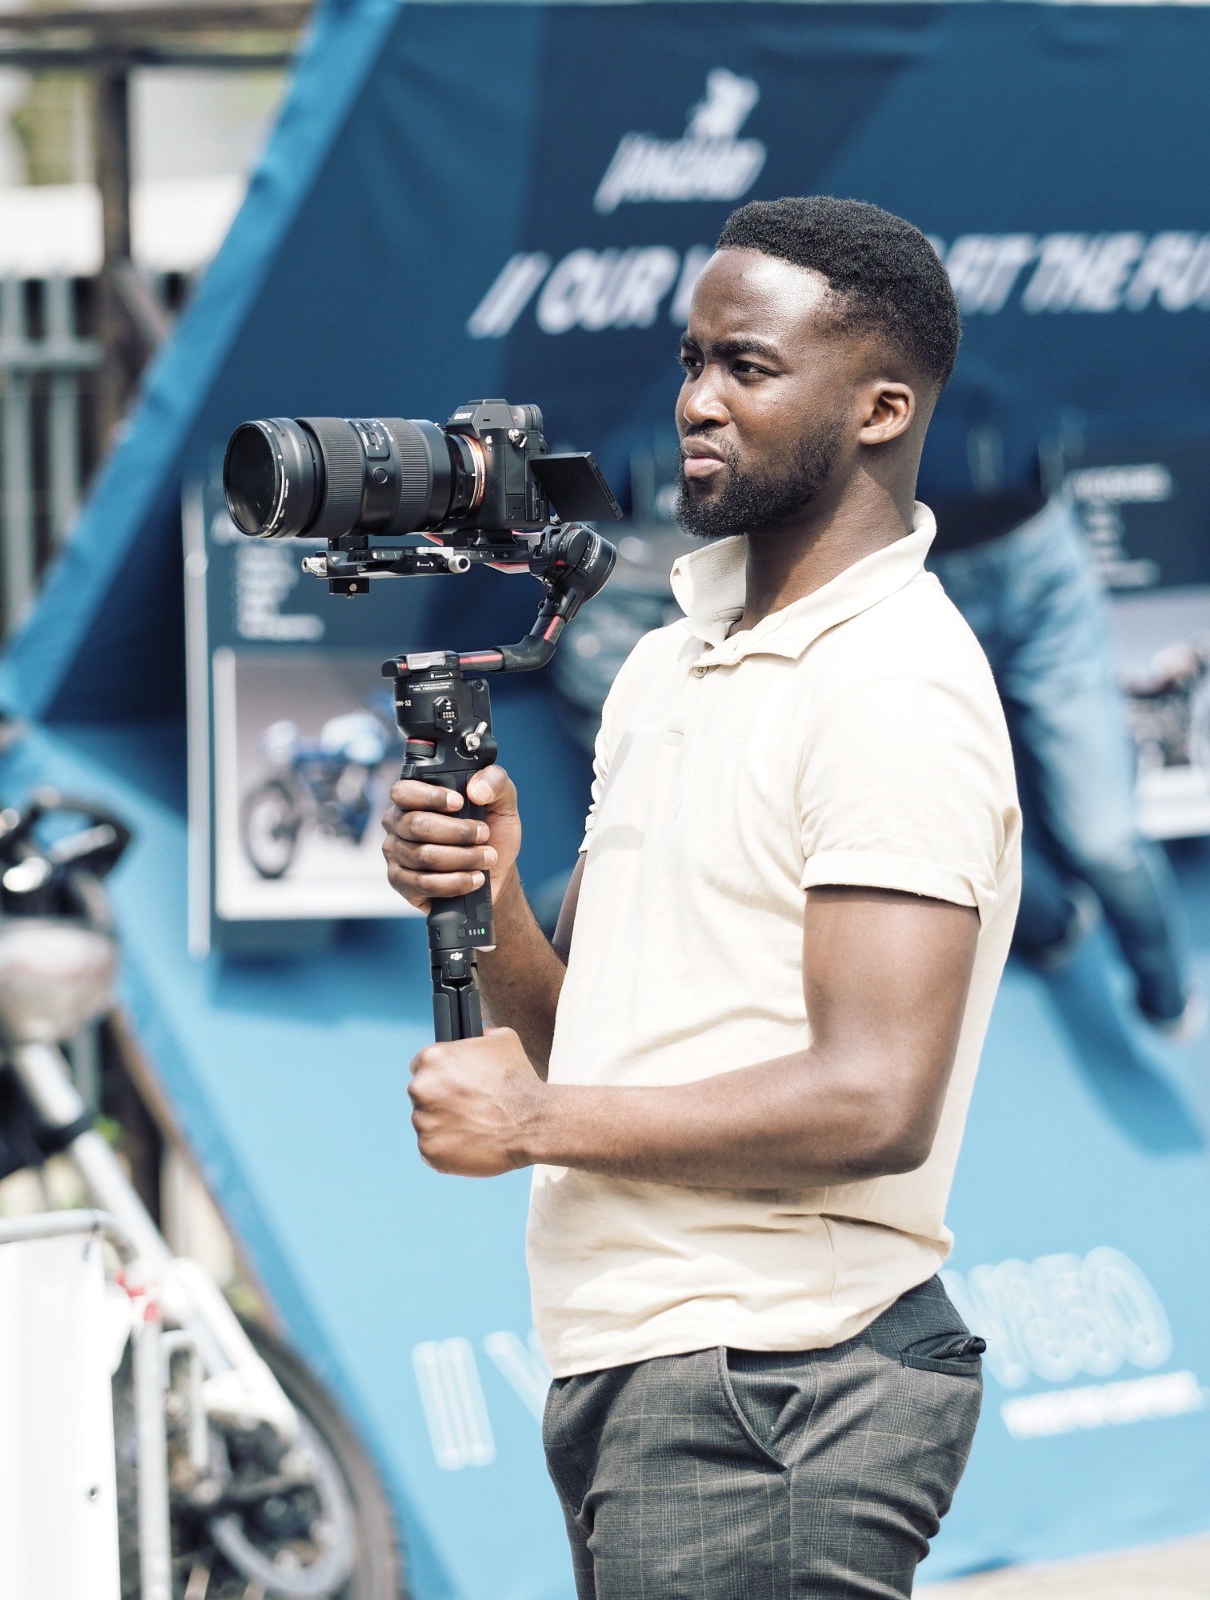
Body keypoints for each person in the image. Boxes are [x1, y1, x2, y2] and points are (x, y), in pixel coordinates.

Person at [382, 195, 1022, 1599]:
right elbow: (601, 1047)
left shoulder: (895, 688)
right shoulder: (673, 664)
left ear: (879, 408)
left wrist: (535, 1125)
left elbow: (874, 1099)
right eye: (691, 362)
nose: (696, 402)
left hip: (781, 1390)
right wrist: (494, 902)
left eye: (748, 365)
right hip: (646, 1371)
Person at [925, 490, 1201, 1035]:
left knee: (1103, 838)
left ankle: (1167, 993)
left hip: (1034, 556)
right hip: (905, 574)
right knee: (957, 823)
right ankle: (1051, 926)